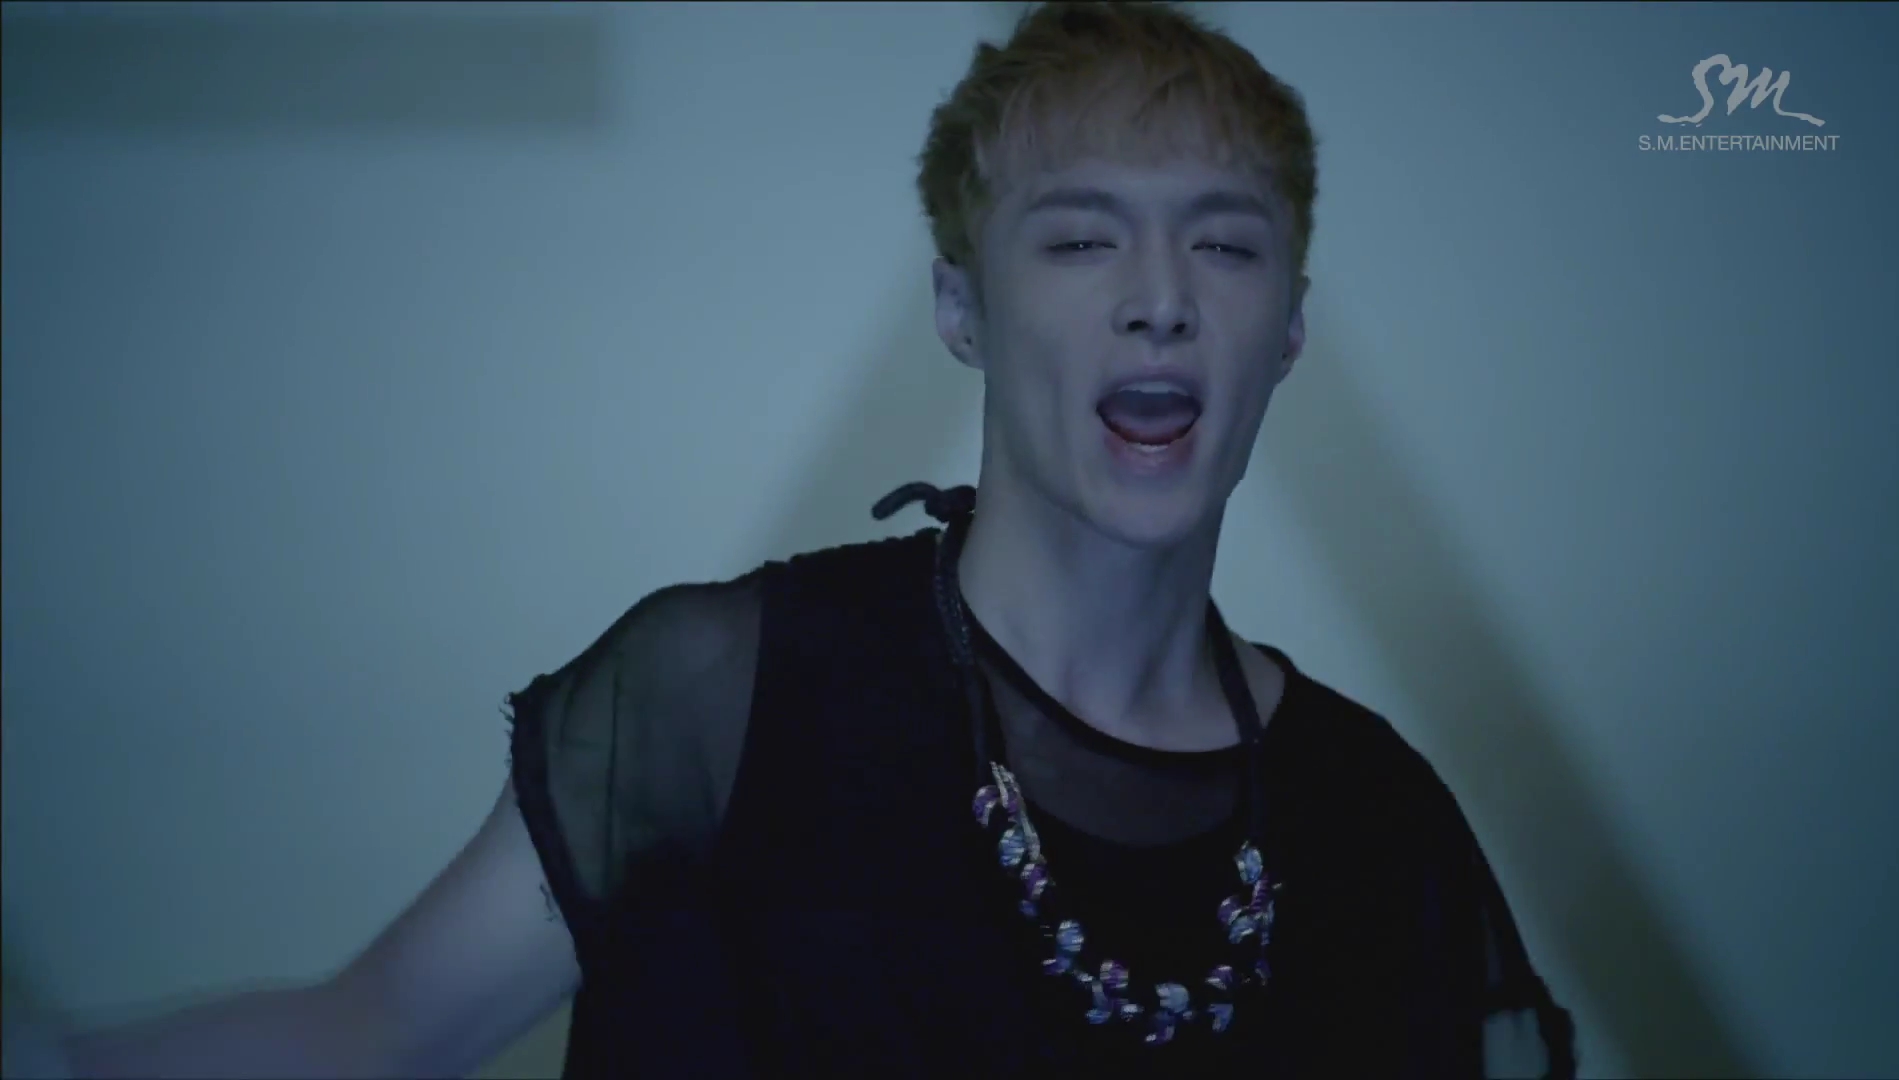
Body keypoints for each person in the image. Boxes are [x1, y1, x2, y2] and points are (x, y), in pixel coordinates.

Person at [4, 2, 1578, 1077]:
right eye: (1083, 236)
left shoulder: (1380, 821)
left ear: (1288, 327)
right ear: (962, 309)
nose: (1160, 296)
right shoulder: (726, 693)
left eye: (1224, 244)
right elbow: (376, 1031)